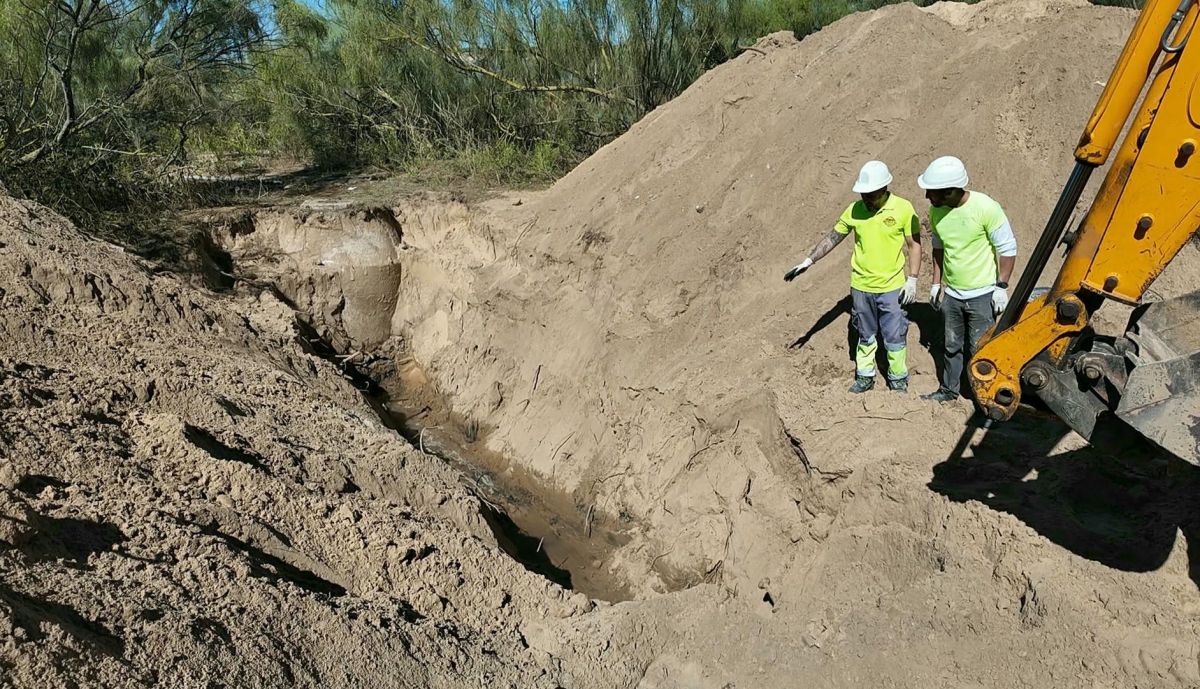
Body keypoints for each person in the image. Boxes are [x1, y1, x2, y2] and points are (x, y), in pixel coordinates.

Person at [785, 160, 922, 393]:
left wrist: (913, 278)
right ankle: (865, 377)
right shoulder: (854, 210)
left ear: (884, 189)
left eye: (871, 195)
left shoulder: (903, 208)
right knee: (865, 334)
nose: (866, 199)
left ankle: (898, 379)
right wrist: (809, 261)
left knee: (894, 335)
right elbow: (832, 237)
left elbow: (914, 244)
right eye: (863, 194)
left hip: (891, 287)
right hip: (861, 286)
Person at [916, 155, 1017, 403]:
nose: (928, 197)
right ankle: (949, 391)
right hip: (953, 295)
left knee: (982, 350)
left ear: (950, 191)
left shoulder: (985, 208)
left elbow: (1007, 247)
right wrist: (936, 284)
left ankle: (987, 399)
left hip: (982, 295)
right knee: (951, 346)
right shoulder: (936, 211)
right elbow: (939, 248)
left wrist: (1001, 286)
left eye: (933, 192)